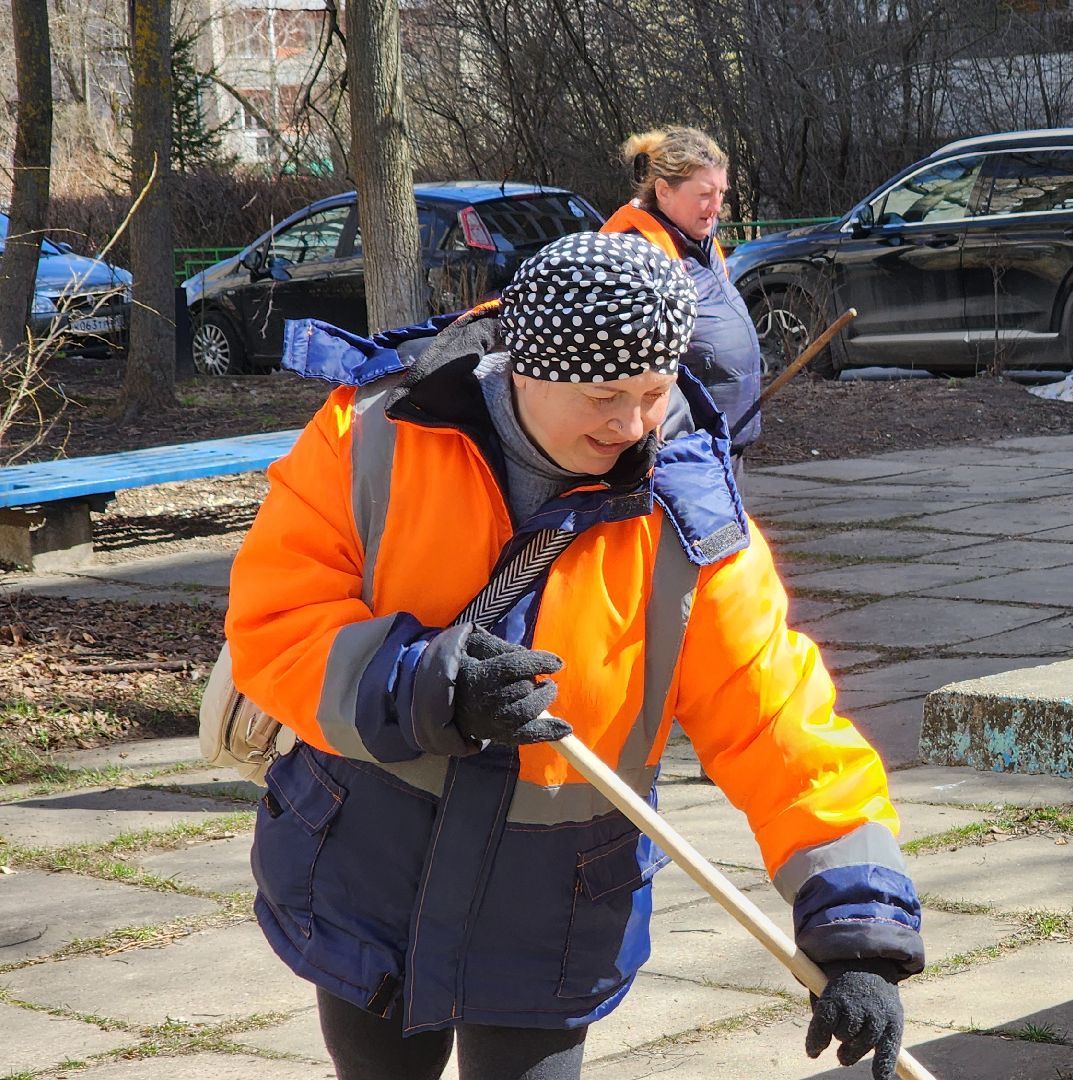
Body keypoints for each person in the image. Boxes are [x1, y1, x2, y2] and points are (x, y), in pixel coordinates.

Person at [226, 232, 921, 1080]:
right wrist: (426, 686)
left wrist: (857, 931)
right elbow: (277, 619)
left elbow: (775, 712)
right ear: (527, 369)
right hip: (371, 866)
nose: (631, 425)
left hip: (551, 904)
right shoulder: (374, 434)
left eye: (654, 394)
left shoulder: (689, 519)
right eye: (603, 396)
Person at [602, 126, 762, 468]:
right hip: (682, 451)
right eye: (705, 194)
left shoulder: (701, 241)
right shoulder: (636, 250)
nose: (717, 206)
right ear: (664, 190)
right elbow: (625, 357)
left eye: (721, 192)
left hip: (725, 443)